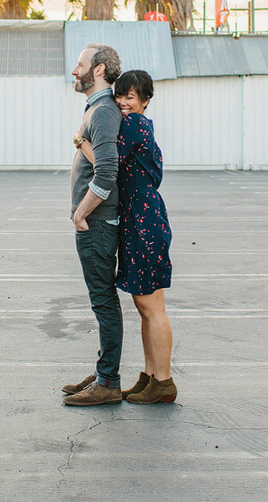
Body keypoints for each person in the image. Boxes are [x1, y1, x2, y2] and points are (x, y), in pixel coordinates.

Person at [77, 69, 176, 404]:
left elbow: (110, 165)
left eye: (130, 97)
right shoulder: (140, 124)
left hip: (144, 219)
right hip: (141, 217)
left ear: (145, 101)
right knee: (145, 304)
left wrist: (81, 142)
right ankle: (149, 377)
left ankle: (163, 381)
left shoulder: (134, 124)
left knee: (151, 306)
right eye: (119, 95)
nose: (121, 102)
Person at [60, 44, 124, 407]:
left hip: (96, 223)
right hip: (96, 222)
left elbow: (107, 172)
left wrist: (82, 212)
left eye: (80, 65)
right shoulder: (97, 109)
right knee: (102, 301)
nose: (74, 71)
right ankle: (104, 372)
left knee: (103, 301)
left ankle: (109, 381)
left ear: (98, 69)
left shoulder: (101, 113)